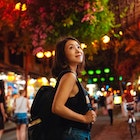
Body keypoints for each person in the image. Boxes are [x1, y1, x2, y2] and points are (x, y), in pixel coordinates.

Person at [51, 36, 96, 140]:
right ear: (63, 56)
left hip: (77, 134)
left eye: (78, 47)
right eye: (71, 48)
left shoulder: (72, 76)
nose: (78, 50)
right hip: (74, 134)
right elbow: (57, 107)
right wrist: (84, 118)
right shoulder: (69, 76)